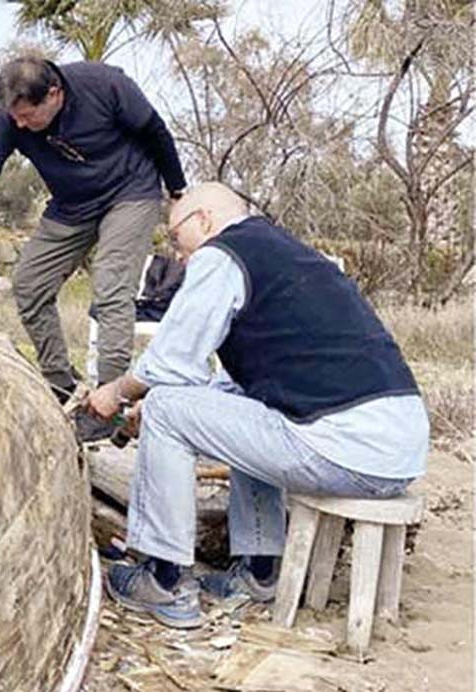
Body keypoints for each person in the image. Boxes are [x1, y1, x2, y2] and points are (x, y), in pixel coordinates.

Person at [85, 182, 428, 629]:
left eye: (176, 237)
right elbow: (229, 391)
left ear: (203, 220)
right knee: (246, 405)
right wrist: (147, 413)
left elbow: (169, 364)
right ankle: (259, 574)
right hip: (397, 450)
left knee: (166, 407)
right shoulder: (287, 254)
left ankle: (163, 580)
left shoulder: (222, 255)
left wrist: (114, 393)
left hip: (346, 448)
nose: (179, 255)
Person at [0, 56, 187, 440]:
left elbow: (156, 132)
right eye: (15, 118)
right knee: (28, 283)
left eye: (28, 116)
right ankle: (63, 385)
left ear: (54, 94)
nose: (20, 125)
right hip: (72, 205)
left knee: (111, 284)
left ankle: (109, 404)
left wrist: (178, 192)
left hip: (130, 192)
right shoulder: (8, 119)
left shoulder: (104, 85)